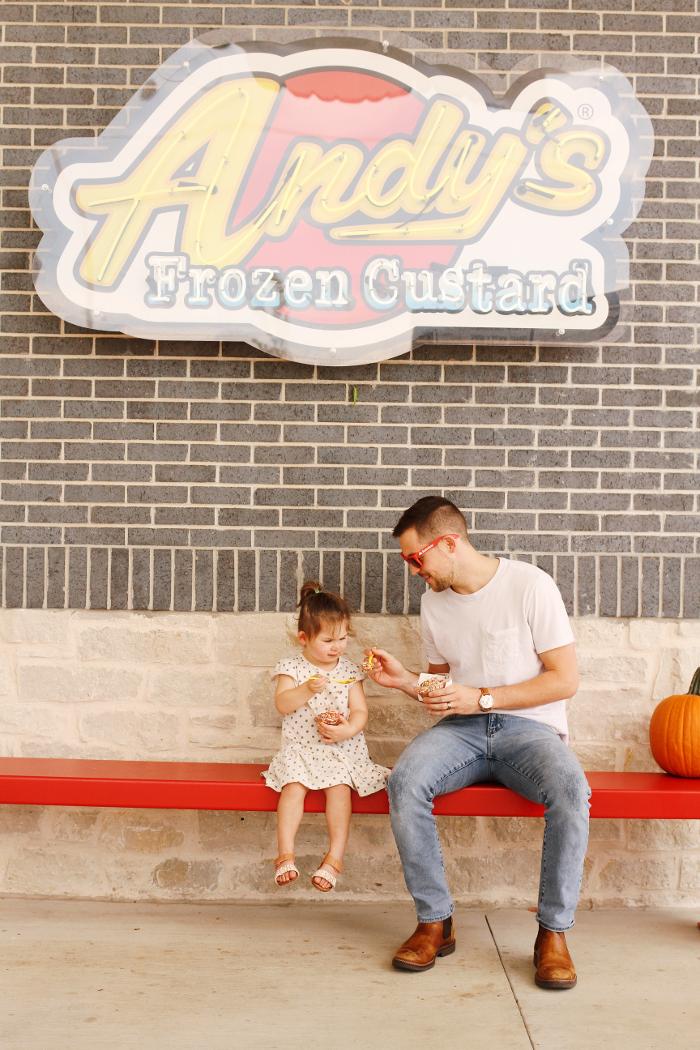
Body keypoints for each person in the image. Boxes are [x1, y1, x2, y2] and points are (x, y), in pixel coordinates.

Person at [364, 496, 590, 990]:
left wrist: (482, 698)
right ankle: (435, 921)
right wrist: (406, 681)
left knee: (571, 790)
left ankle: (553, 934)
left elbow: (565, 680)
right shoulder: (433, 603)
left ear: (448, 543)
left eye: (414, 557)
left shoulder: (530, 585)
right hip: (461, 733)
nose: (412, 570)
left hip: (530, 730)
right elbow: (444, 690)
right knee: (405, 781)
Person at [263, 581, 389, 892]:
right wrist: (305, 689)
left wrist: (347, 728)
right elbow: (282, 704)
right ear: (304, 638)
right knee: (292, 787)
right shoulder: (291, 668)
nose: (337, 646)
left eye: (343, 638)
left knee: (339, 790)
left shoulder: (348, 670)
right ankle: (285, 854)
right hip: (302, 748)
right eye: (328, 640)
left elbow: (360, 712)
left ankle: (334, 858)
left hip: (341, 749)